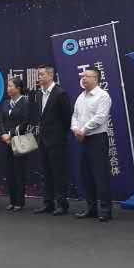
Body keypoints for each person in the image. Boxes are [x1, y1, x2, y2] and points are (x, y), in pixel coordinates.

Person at [71, 67, 113, 222]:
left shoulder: (103, 96)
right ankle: (91, 208)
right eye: (83, 76)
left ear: (96, 78)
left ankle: (105, 210)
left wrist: (83, 130)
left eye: (87, 76)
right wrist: (75, 129)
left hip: (97, 139)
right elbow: (75, 116)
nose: (83, 79)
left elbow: (100, 117)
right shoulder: (80, 96)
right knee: (86, 175)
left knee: (100, 175)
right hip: (82, 140)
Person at [32, 64, 73, 216]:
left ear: (50, 75)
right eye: (39, 74)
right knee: (45, 173)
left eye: (42, 74)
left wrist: (59, 135)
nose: (39, 77)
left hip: (57, 141)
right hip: (42, 140)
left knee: (58, 173)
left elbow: (67, 118)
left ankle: (62, 204)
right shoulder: (38, 94)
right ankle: (47, 203)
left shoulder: (60, 93)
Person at [0, 76, 31, 212]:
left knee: (19, 172)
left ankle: (19, 202)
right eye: (8, 86)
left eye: (11, 86)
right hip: (6, 142)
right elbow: (0, 121)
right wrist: (4, 134)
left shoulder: (25, 102)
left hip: (19, 141)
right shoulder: (6, 103)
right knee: (9, 172)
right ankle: (12, 200)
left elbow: (25, 122)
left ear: (18, 88)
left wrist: (10, 134)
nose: (8, 88)